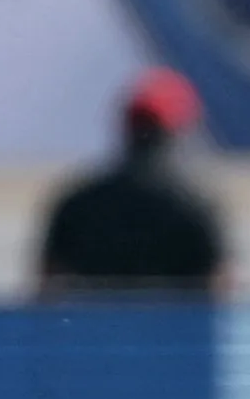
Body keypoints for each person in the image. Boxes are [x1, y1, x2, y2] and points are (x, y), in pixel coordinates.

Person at [37, 69, 226, 294]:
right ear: (179, 130)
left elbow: (46, 291)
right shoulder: (196, 205)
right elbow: (219, 291)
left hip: (96, 328)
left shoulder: (78, 204)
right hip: (169, 329)